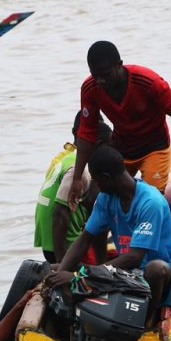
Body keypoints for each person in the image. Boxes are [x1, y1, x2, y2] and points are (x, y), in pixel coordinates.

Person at [48, 145, 171, 326]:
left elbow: (135, 257)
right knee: (54, 267)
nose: (96, 186)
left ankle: (146, 322)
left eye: (96, 181)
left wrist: (81, 277)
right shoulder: (106, 199)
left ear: (106, 178)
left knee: (156, 268)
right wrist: (62, 273)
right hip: (126, 272)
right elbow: (84, 240)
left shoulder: (151, 202)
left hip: (158, 276)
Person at [67, 40, 171, 209]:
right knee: (107, 198)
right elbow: (87, 133)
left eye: (106, 75)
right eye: (96, 76)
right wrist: (77, 178)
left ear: (119, 65)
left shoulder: (148, 81)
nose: (101, 81)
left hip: (155, 146)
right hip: (123, 147)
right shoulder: (90, 88)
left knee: (151, 201)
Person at [34, 112, 111, 263]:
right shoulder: (78, 169)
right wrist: (62, 263)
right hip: (62, 243)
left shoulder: (67, 157)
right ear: (99, 144)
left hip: (48, 239)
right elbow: (59, 214)